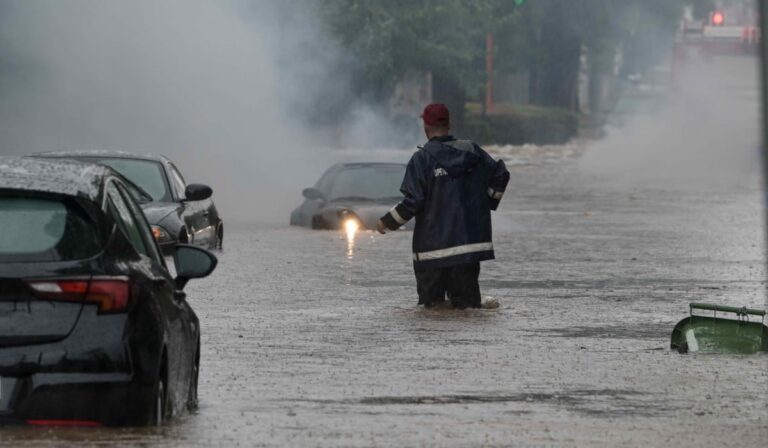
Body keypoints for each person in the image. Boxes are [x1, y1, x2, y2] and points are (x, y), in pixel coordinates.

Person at [377, 103, 510, 309]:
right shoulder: (472, 151)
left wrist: (386, 222)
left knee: (432, 314)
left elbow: (413, 201)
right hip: (468, 251)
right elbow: (501, 174)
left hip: (432, 255)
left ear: (425, 126)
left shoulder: (421, 160)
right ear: (450, 123)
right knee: (468, 312)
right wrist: (488, 201)